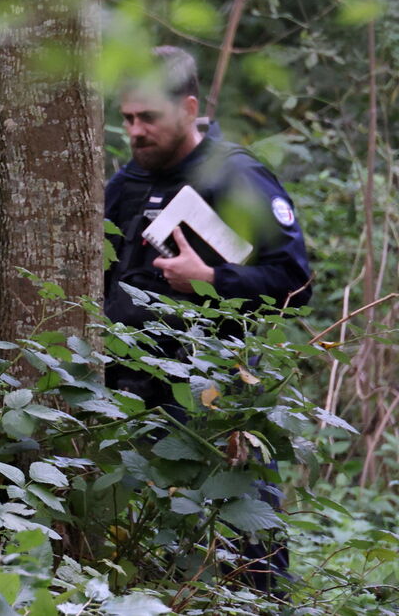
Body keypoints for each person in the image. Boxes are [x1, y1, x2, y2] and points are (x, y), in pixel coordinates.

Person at [103, 46, 312, 594]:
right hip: (126, 391)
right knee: (149, 555)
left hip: (216, 394)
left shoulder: (236, 176)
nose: (136, 131)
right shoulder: (126, 182)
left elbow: (296, 280)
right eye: (127, 118)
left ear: (189, 108)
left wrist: (214, 280)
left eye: (148, 117)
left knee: (248, 554)